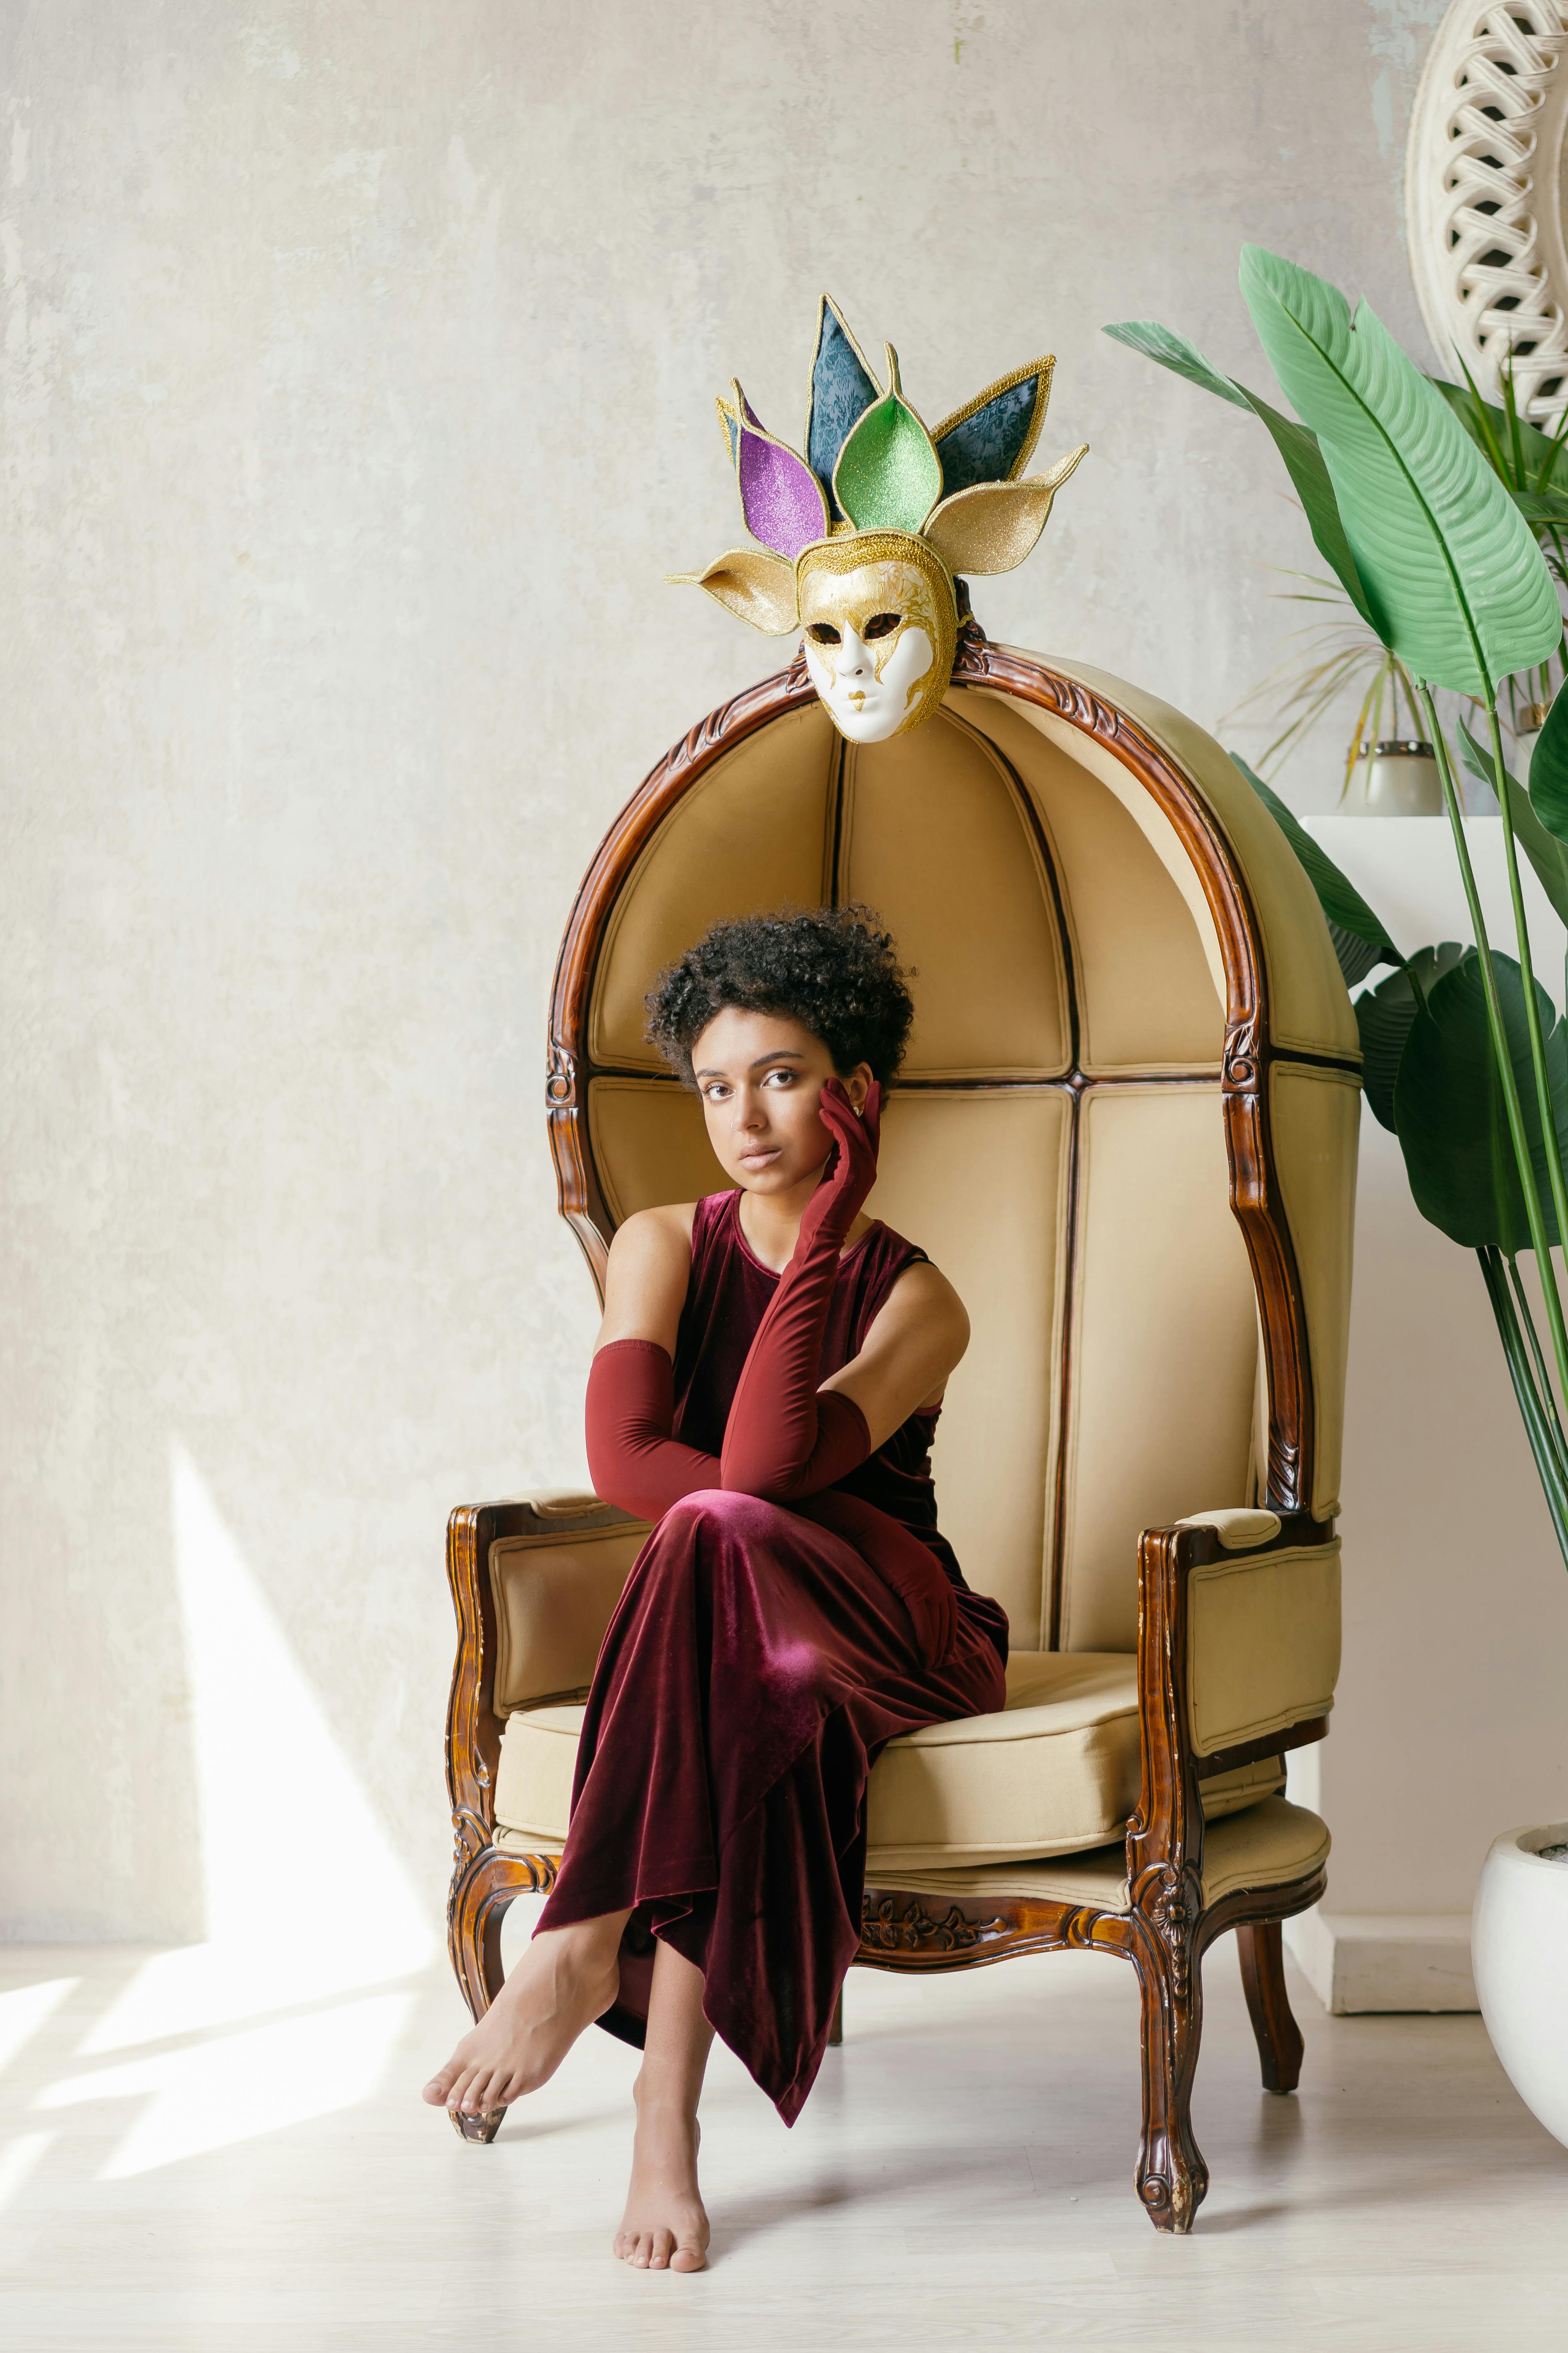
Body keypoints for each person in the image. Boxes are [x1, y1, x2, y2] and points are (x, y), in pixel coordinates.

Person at [423, 905, 1008, 2271]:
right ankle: (661, 2114)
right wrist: (727, 1515)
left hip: (890, 1607)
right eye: (715, 1085)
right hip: (754, 1625)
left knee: (717, 1530)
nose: (743, 1117)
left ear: (856, 1096)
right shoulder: (660, 1243)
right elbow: (623, 1461)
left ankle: (575, 1953)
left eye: (784, 1077)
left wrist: (830, 1233)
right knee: (733, 1611)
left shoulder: (919, 1298)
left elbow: (764, 1462)